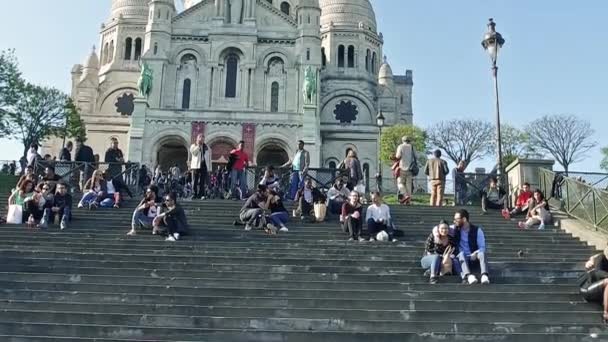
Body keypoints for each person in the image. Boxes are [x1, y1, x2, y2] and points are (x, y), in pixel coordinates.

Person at [453, 209, 490, 285]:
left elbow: (482, 247)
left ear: (464, 219)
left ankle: (484, 275)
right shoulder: (454, 229)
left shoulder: (477, 230)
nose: (454, 221)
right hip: (462, 257)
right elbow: (440, 228)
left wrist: (476, 253)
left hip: (474, 256)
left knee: (482, 253)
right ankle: (469, 276)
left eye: (457, 219)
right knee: (461, 254)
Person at [580, 248, 608, 322]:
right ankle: (606, 313)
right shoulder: (600, 258)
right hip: (587, 288)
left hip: (600, 290)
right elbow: (596, 273)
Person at [189, 134, 211, 199]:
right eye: (200, 137)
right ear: (197, 138)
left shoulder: (206, 147)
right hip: (196, 165)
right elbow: (194, 152)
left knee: (202, 181)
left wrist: (209, 168)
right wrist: (198, 146)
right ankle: (194, 193)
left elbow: (209, 157)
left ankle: (201, 194)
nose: (202, 139)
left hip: (204, 165)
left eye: (203, 137)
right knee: (195, 180)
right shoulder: (193, 145)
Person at [395, 136, 415, 205]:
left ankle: (405, 195)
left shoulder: (400, 146)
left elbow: (398, 156)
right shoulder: (412, 147)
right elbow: (415, 157)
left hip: (402, 167)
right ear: (409, 140)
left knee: (400, 183)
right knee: (408, 185)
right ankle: (408, 200)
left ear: (402, 140)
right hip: (410, 169)